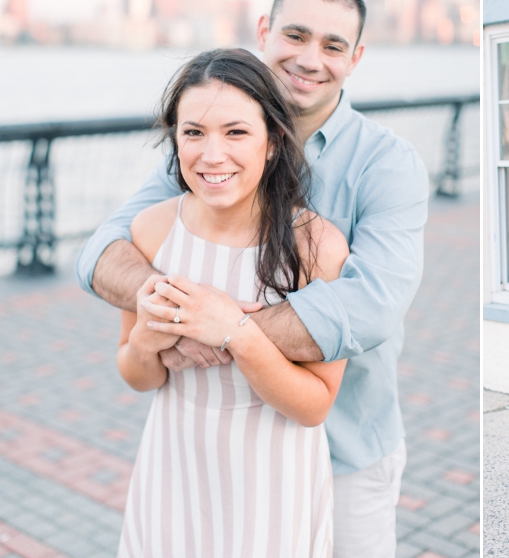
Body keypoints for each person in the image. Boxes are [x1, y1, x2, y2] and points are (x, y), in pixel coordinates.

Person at [78, 0, 429, 557]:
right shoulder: (208, 153)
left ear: (356, 57)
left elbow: (371, 309)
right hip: (193, 453)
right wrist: (162, 320)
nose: (310, 58)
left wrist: (224, 330)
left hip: (343, 447)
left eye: (333, 45)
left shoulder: (388, 166)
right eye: (295, 35)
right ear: (264, 31)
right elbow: (104, 252)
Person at [117, 49, 348, 555]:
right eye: (193, 132)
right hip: (173, 464)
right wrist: (145, 342)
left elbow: (314, 406)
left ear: (272, 142)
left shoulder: (317, 247)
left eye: (236, 132)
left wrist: (236, 332)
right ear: (174, 138)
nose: (212, 154)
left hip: (272, 480)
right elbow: (137, 376)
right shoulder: (152, 230)